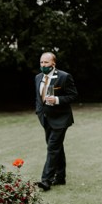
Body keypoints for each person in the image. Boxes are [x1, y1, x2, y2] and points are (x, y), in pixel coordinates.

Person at [35, 52, 78, 191]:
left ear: (53, 63)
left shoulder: (64, 77)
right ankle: (60, 177)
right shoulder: (38, 77)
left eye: (46, 63)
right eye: (41, 62)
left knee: (52, 147)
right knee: (57, 147)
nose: (43, 65)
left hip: (61, 119)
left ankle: (46, 180)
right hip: (45, 118)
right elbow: (38, 98)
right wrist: (39, 112)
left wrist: (57, 100)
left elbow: (73, 95)